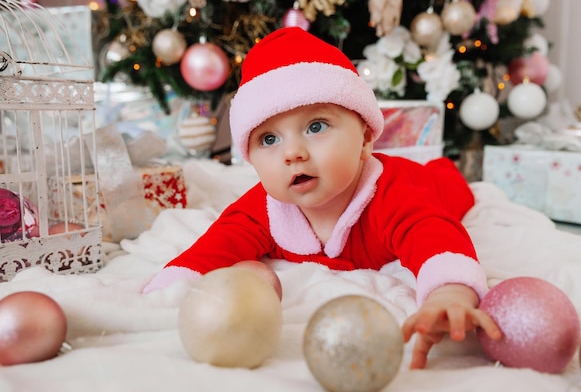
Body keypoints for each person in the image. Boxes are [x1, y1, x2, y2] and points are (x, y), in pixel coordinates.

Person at [143, 26, 501, 369]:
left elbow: (435, 235)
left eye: (316, 127)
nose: (292, 153)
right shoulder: (263, 208)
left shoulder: (392, 195)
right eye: (269, 139)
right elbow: (213, 249)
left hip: (431, 183)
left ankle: (443, 169)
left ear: (364, 139)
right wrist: (165, 292)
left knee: (449, 185)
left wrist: (448, 294)